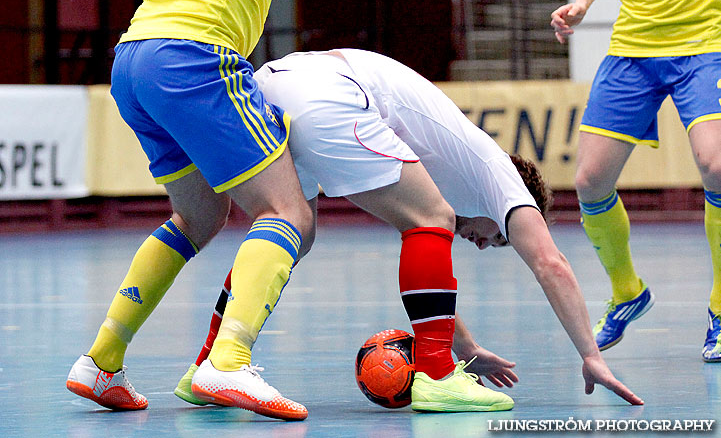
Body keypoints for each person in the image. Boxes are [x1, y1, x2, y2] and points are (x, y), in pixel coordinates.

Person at [66, 0, 351, 421]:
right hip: (191, 56)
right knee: (289, 214)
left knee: (198, 216)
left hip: (134, 59)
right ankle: (228, 363)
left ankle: (101, 360)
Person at [175, 48, 643, 412]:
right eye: (496, 237)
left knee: (291, 231)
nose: (482, 243)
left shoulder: (447, 173)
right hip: (329, 94)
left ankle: (208, 365)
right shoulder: (501, 178)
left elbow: (429, 274)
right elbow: (551, 264)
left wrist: (469, 347)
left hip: (271, 85)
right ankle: (438, 377)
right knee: (430, 220)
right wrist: (591, 355)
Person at [550, 0, 721, 362]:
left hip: (705, 44)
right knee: (590, 181)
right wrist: (582, 3)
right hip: (633, 49)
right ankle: (627, 292)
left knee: (715, 163)